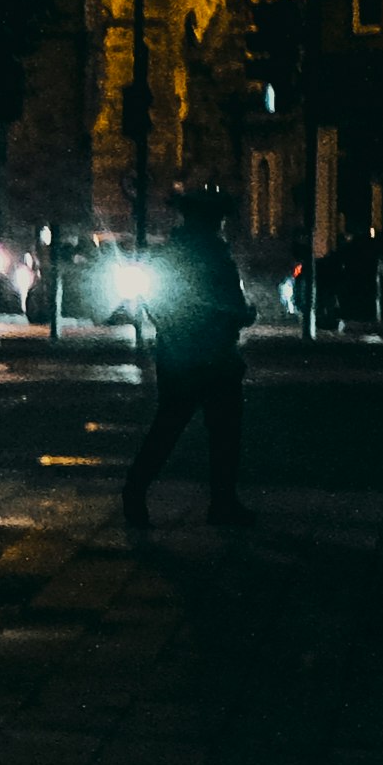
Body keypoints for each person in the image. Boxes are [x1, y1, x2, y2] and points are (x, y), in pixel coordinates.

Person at [122, 192, 252, 531]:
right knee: (223, 433)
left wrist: (171, 329)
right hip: (216, 357)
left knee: (168, 427)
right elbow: (231, 307)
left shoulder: (168, 256)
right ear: (213, 222)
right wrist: (243, 315)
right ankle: (222, 504)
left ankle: (135, 491)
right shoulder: (217, 256)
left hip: (178, 355)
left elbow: (155, 304)